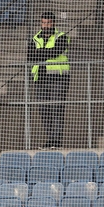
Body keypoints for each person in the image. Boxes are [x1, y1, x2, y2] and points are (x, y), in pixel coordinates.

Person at [28, 11, 70, 149]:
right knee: (44, 109)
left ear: (54, 23)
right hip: (40, 78)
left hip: (58, 77)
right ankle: (50, 139)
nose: (45, 25)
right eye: (43, 23)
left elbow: (56, 51)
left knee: (56, 107)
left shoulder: (61, 36)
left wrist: (39, 53)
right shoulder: (35, 38)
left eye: (48, 23)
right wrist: (46, 53)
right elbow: (29, 57)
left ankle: (56, 141)